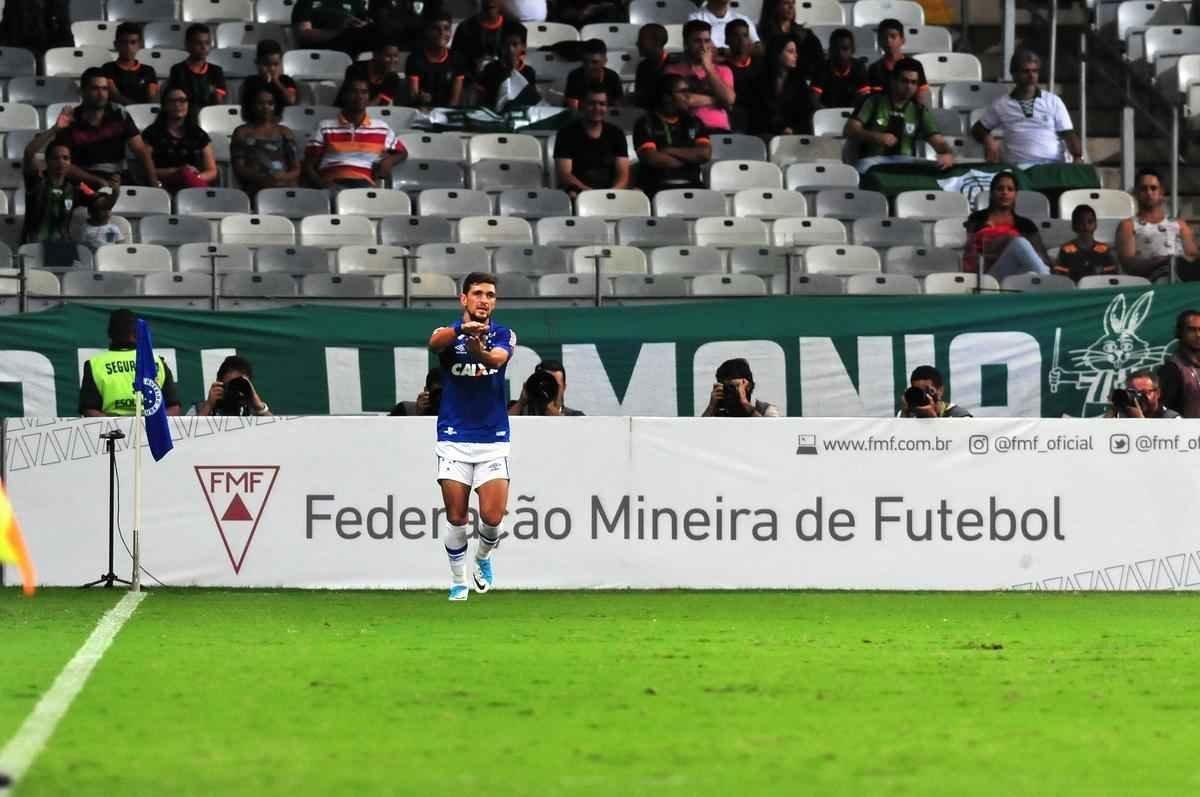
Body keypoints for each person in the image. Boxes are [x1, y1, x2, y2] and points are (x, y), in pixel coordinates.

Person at [427, 272, 516, 601]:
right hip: (453, 437)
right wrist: (462, 333)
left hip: (492, 439)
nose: (484, 300)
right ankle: (458, 581)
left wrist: (480, 353)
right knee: (457, 517)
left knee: (492, 518)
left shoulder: (504, 334)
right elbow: (433, 343)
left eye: (490, 295)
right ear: (463, 299)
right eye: (477, 293)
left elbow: (497, 359)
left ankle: (482, 558)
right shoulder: (449, 334)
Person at [971, 49, 1083, 165]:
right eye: (1026, 71)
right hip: (1017, 169)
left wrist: (1078, 156)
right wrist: (988, 140)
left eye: (1035, 71)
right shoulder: (1002, 104)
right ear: (1014, 74)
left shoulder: (1053, 101)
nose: (1031, 75)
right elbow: (978, 130)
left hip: (1052, 166)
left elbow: (1069, 134)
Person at [843, 58, 953, 169]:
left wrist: (946, 153)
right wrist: (876, 137)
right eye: (904, 81)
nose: (909, 86)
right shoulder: (873, 102)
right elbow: (849, 129)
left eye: (913, 82)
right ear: (893, 80)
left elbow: (939, 142)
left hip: (906, 163)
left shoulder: (919, 110)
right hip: (873, 162)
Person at [57, 68, 157, 189]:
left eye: (104, 89)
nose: (101, 94)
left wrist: (154, 183)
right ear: (83, 91)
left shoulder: (119, 113)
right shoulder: (70, 120)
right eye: (95, 89)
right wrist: (97, 181)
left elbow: (140, 150)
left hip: (119, 179)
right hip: (85, 181)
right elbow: (63, 164)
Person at [304, 77, 408, 192]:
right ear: (344, 96)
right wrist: (322, 186)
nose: (359, 96)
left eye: (364, 92)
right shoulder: (325, 127)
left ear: (369, 97)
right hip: (333, 184)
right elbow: (308, 165)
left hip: (365, 186)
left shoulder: (381, 127)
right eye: (354, 92)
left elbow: (402, 152)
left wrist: (389, 161)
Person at [79, 309, 182, 417]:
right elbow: (174, 408)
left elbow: (90, 410)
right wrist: (153, 426)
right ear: (137, 333)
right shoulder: (157, 361)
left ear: (109, 333)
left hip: (113, 431)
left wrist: (117, 427)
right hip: (151, 429)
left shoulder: (95, 365)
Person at [21, 111, 96, 245]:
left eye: (65, 158)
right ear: (47, 161)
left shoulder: (75, 188)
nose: (61, 162)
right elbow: (29, 153)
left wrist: (108, 188)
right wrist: (55, 129)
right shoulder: (36, 181)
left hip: (63, 247)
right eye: (55, 158)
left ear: (70, 162)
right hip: (34, 246)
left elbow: (100, 201)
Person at [962, 171, 1052, 279]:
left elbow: (1041, 257)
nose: (1005, 192)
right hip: (989, 276)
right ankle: (1049, 282)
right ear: (991, 193)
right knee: (1019, 242)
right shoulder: (978, 219)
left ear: (1015, 194)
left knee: (1031, 274)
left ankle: (1046, 279)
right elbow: (970, 254)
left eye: (1010, 189)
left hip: (1017, 275)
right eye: (1000, 189)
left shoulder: (1026, 224)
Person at [1115, 168, 1199, 282]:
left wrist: (1174, 262)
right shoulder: (1128, 225)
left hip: (1183, 275)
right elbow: (1129, 265)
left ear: (1161, 192)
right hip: (1152, 278)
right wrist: (1163, 261)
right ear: (1136, 193)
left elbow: (1193, 255)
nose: (1149, 193)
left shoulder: (1180, 224)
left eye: (1153, 188)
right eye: (1144, 189)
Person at [634, 74, 712, 195]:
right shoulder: (645, 123)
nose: (689, 96)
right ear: (667, 97)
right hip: (657, 187)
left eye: (689, 91)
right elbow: (652, 158)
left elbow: (705, 154)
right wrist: (689, 158)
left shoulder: (694, 122)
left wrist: (668, 150)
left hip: (692, 185)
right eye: (683, 91)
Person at [554, 87, 630, 196]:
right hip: (579, 193)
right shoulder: (566, 134)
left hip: (611, 194)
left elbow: (623, 174)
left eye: (602, 104)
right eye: (591, 103)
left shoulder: (616, 133)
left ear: (607, 107)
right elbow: (564, 174)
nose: (597, 108)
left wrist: (612, 193)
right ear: (582, 105)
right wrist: (590, 194)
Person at [140, 87, 218, 191]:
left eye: (182, 100)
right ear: (164, 106)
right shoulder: (152, 133)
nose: (177, 105)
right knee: (185, 174)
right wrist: (177, 171)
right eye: (172, 101)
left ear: (188, 104)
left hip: (192, 184)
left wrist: (194, 177)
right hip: (162, 185)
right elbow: (146, 169)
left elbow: (212, 171)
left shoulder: (198, 134)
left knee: (187, 175)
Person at [231, 83, 301, 197]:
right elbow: (238, 168)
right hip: (256, 188)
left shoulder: (285, 132)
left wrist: (282, 177)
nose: (265, 107)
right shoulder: (242, 133)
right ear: (251, 105)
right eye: (260, 103)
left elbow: (296, 168)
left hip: (285, 187)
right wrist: (263, 178)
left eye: (270, 103)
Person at [665, 20, 736, 131]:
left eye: (707, 41)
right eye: (697, 41)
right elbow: (685, 100)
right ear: (686, 43)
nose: (703, 46)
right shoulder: (672, 70)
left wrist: (708, 68)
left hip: (720, 128)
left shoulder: (723, 70)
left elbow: (728, 99)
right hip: (689, 129)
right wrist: (717, 100)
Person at [750, 34, 813, 136]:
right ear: (777, 53)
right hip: (765, 133)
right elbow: (757, 114)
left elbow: (805, 113)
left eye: (796, 51)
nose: (796, 55)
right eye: (790, 51)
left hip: (794, 134)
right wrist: (780, 128)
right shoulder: (759, 80)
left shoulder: (799, 82)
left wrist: (792, 130)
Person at [405, 11, 467, 108]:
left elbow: (455, 100)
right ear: (427, 31)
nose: (442, 33)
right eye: (436, 29)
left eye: (446, 28)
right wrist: (420, 98)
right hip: (421, 112)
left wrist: (444, 115)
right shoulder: (415, 58)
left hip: (447, 114)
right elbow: (413, 97)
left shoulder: (457, 58)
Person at [475, 23, 541, 111]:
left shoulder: (529, 72)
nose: (510, 49)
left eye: (515, 44)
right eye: (506, 44)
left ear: (523, 46)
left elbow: (531, 102)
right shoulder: (490, 69)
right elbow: (481, 99)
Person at [865, 18, 929, 104]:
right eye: (884, 37)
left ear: (902, 40)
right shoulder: (874, 69)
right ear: (879, 41)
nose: (888, 41)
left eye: (893, 36)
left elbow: (922, 98)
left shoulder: (916, 66)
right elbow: (875, 100)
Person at [165, 24, 228, 109]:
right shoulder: (177, 70)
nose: (204, 47)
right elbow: (176, 100)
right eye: (198, 43)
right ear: (187, 44)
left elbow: (218, 103)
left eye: (207, 43)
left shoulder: (216, 71)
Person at [756, 0, 824, 75]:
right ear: (774, 6)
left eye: (793, 2)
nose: (791, 7)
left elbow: (819, 63)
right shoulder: (761, 34)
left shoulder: (805, 35)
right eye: (786, 3)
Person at [1053, 204, 1118, 282]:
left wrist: (1102, 269)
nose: (1086, 226)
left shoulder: (1104, 249)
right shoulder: (1066, 249)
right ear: (1074, 226)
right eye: (1081, 222)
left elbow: (1114, 269)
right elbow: (1059, 271)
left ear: (1096, 224)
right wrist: (1073, 272)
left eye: (1090, 222)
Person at [809, 28, 870, 111]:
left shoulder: (859, 67)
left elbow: (864, 99)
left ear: (852, 50)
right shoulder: (822, 68)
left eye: (845, 49)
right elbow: (814, 100)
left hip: (853, 117)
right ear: (830, 50)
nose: (840, 53)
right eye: (836, 48)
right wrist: (828, 114)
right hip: (826, 117)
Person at [102, 22, 160, 106]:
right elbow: (115, 96)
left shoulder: (148, 71)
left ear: (139, 45)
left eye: (133, 42)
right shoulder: (107, 68)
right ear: (116, 44)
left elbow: (153, 100)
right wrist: (137, 110)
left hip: (145, 116)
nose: (128, 47)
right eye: (124, 42)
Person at [701, 358, 780, 417]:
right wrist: (711, 407)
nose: (730, 390)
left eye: (734, 386)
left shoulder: (766, 410)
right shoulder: (718, 413)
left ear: (748, 386)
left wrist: (746, 404)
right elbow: (699, 433)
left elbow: (772, 433)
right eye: (727, 387)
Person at [451, 0, 510, 78]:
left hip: (506, 84)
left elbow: (517, 64)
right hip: (471, 84)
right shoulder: (465, 28)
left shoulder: (513, 27)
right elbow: (456, 64)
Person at [195, 355, 272, 416]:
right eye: (232, 385)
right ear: (219, 384)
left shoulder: (255, 413)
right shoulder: (199, 409)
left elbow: (277, 433)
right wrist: (208, 406)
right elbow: (187, 433)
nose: (236, 389)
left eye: (240, 385)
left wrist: (260, 407)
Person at [292, 0, 374, 56]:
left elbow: (367, 25)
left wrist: (361, 25)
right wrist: (339, 31)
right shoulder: (306, 2)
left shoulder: (354, 2)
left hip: (349, 55)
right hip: (315, 55)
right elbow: (303, 35)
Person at [1160, 309, 1200, 417]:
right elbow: (1163, 410)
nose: (1198, 335)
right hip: (1187, 432)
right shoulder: (1172, 369)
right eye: (1192, 330)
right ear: (1179, 332)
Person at [339, 42, 405, 106]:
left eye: (396, 56)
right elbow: (352, 100)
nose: (393, 60)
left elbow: (382, 103)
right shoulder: (356, 70)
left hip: (372, 112)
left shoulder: (393, 78)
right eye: (388, 56)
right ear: (375, 55)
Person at [564, 39, 624, 109]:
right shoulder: (575, 76)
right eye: (585, 61)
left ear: (604, 61)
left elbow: (617, 109)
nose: (589, 66)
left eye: (595, 62)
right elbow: (573, 110)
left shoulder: (613, 77)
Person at [724, 20, 762, 133]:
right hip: (736, 121)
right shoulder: (722, 69)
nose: (741, 40)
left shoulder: (761, 65)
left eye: (745, 35)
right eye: (736, 36)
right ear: (727, 40)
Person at [239, 39, 299, 108]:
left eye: (276, 64)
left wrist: (276, 82)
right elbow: (248, 104)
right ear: (257, 63)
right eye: (266, 64)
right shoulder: (250, 81)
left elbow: (291, 100)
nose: (272, 69)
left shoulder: (287, 80)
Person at [899, 365, 972, 418]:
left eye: (927, 391)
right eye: (917, 391)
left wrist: (932, 418)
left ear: (940, 391)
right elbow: (897, 438)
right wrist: (905, 413)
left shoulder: (960, 417)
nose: (922, 395)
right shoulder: (909, 414)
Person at [1107, 369, 1179, 419]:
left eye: (1143, 393)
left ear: (1157, 393)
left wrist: (1140, 421)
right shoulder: (1121, 416)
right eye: (1132, 393)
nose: (1138, 398)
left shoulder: (1171, 419)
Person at [688, 0, 759, 50]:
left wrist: (724, 52)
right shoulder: (695, 18)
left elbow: (758, 48)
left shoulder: (743, 18)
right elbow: (699, 50)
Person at [633, 23, 669, 111]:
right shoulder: (642, 67)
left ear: (656, 42)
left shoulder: (673, 66)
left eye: (641, 39)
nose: (637, 43)